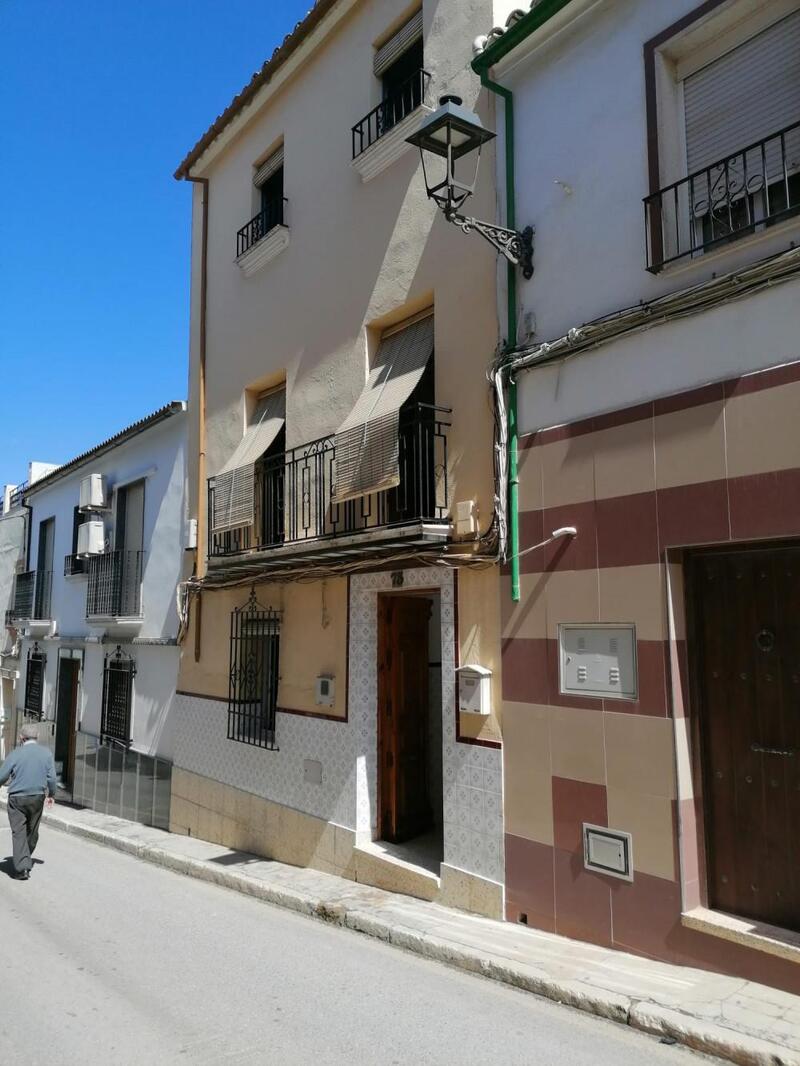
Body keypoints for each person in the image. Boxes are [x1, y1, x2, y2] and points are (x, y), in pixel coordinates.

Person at [0, 723, 56, 880]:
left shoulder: (15, 754)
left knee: (19, 832)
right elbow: (52, 778)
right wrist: (52, 794)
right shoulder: (46, 754)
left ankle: (22, 868)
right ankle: (24, 858)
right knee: (32, 831)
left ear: (21, 738)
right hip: (37, 797)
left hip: (17, 798)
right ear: (37, 737)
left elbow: (2, 775)